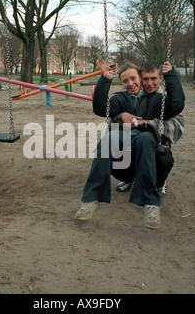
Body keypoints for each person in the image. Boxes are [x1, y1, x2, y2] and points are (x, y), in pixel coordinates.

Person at [74, 61, 185, 229]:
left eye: (134, 78)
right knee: (108, 140)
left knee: (144, 139)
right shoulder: (120, 98)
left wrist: (170, 75)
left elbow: (176, 105)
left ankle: (150, 203)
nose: (131, 83)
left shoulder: (157, 98)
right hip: (123, 140)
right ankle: (91, 199)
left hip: (146, 140)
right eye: (125, 81)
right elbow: (100, 108)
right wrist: (104, 80)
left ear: (139, 78)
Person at [116, 62, 185, 195]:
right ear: (140, 78)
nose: (149, 83)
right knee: (113, 150)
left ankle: (159, 182)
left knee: (161, 158)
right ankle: (129, 178)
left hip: (156, 144)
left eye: (153, 78)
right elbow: (114, 117)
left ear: (160, 78)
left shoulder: (165, 99)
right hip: (132, 142)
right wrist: (121, 114)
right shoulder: (132, 96)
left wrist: (145, 123)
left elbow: (176, 126)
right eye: (145, 79)